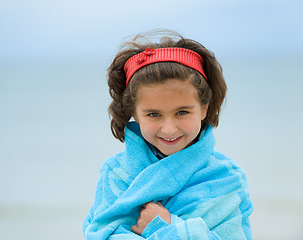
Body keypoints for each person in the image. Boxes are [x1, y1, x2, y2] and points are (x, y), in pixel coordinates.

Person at [83, 30, 253, 239]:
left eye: (182, 112)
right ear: (134, 113)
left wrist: (166, 227)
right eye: (154, 114)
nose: (169, 128)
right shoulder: (116, 174)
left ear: (203, 108)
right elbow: (101, 233)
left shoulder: (227, 178)